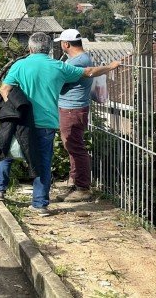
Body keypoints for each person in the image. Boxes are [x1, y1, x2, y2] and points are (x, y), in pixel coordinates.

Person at [0, 32, 120, 216]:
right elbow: (89, 72)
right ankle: (40, 204)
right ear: (49, 49)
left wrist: (16, 107)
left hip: (22, 120)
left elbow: (5, 89)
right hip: (46, 123)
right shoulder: (59, 66)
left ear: (30, 48)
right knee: (43, 161)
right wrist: (111, 66)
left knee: (7, 151)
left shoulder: (20, 65)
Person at [55, 29, 95, 202]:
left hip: (72, 110)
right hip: (72, 108)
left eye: (61, 43)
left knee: (75, 147)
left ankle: (83, 187)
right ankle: (75, 181)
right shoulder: (80, 59)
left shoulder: (77, 62)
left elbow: (57, 81)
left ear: (66, 44)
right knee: (72, 146)